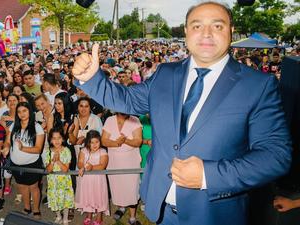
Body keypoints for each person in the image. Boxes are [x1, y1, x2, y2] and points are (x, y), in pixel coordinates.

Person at [71, 2, 292, 225]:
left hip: (214, 216)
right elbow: (125, 98)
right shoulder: (166, 74)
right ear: (186, 31)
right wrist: (92, 78)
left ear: (231, 31)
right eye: (197, 26)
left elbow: (275, 156)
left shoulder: (257, 85)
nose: (206, 33)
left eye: (217, 26)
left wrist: (208, 175)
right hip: (162, 212)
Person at [2, 102, 45, 219]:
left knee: (33, 187)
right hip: (16, 164)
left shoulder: (37, 127)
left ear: (30, 112)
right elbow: (7, 141)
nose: (22, 114)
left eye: (24, 111)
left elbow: (38, 149)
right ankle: (27, 207)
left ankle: (36, 209)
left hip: (32, 164)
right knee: (22, 186)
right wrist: (6, 147)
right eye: (19, 112)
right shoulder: (14, 125)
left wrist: (23, 148)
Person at [101, 112, 143, 225]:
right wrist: (116, 143)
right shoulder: (109, 120)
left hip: (130, 161)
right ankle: (121, 208)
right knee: (118, 186)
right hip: (114, 160)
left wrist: (125, 141)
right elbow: (104, 140)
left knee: (131, 188)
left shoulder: (135, 120)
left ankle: (133, 217)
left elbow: (138, 141)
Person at [75, 130, 109, 225]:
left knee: (99, 196)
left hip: (98, 180)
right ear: (87, 142)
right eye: (91, 142)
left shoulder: (103, 151)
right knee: (88, 195)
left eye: (97, 142)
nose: (94, 145)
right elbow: (80, 162)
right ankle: (88, 215)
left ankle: (99, 217)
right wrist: (82, 166)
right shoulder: (83, 151)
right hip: (87, 180)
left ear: (100, 142)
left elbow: (102, 165)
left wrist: (92, 167)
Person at [43, 128, 74, 225]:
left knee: (65, 200)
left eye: (59, 138)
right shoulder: (47, 151)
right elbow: (48, 170)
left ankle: (65, 218)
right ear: (50, 140)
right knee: (54, 199)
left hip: (64, 180)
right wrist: (52, 161)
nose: (56, 141)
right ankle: (58, 216)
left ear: (63, 139)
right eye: (54, 138)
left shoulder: (67, 151)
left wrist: (58, 161)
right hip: (53, 182)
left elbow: (65, 169)